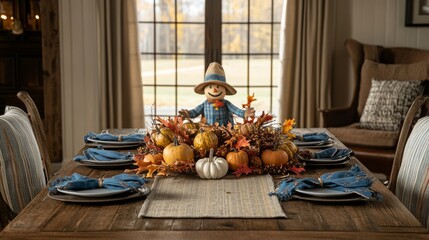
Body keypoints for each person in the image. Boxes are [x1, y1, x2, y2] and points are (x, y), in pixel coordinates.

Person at [179, 62, 255, 126]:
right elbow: (195, 112)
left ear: (225, 89)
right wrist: (188, 114)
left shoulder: (226, 103)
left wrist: (244, 113)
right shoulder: (204, 104)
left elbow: (235, 110)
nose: (215, 90)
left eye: (218, 87)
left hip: (225, 132)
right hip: (209, 133)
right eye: (211, 87)